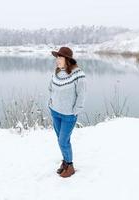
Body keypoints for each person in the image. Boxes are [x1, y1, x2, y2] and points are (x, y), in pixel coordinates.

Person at [48, 46, 87, 178]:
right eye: (56, 57)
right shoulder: (56, 73)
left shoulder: (78, 74)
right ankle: (65, 162)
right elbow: (50, 88)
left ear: (67, 59)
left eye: (60, 57)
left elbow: (81, 95)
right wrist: (51, 103)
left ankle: (70, 166)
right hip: (55, 112)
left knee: (63, 141)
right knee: (61, 140)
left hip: (68, 115)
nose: (57, 60)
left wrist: (75, 111)